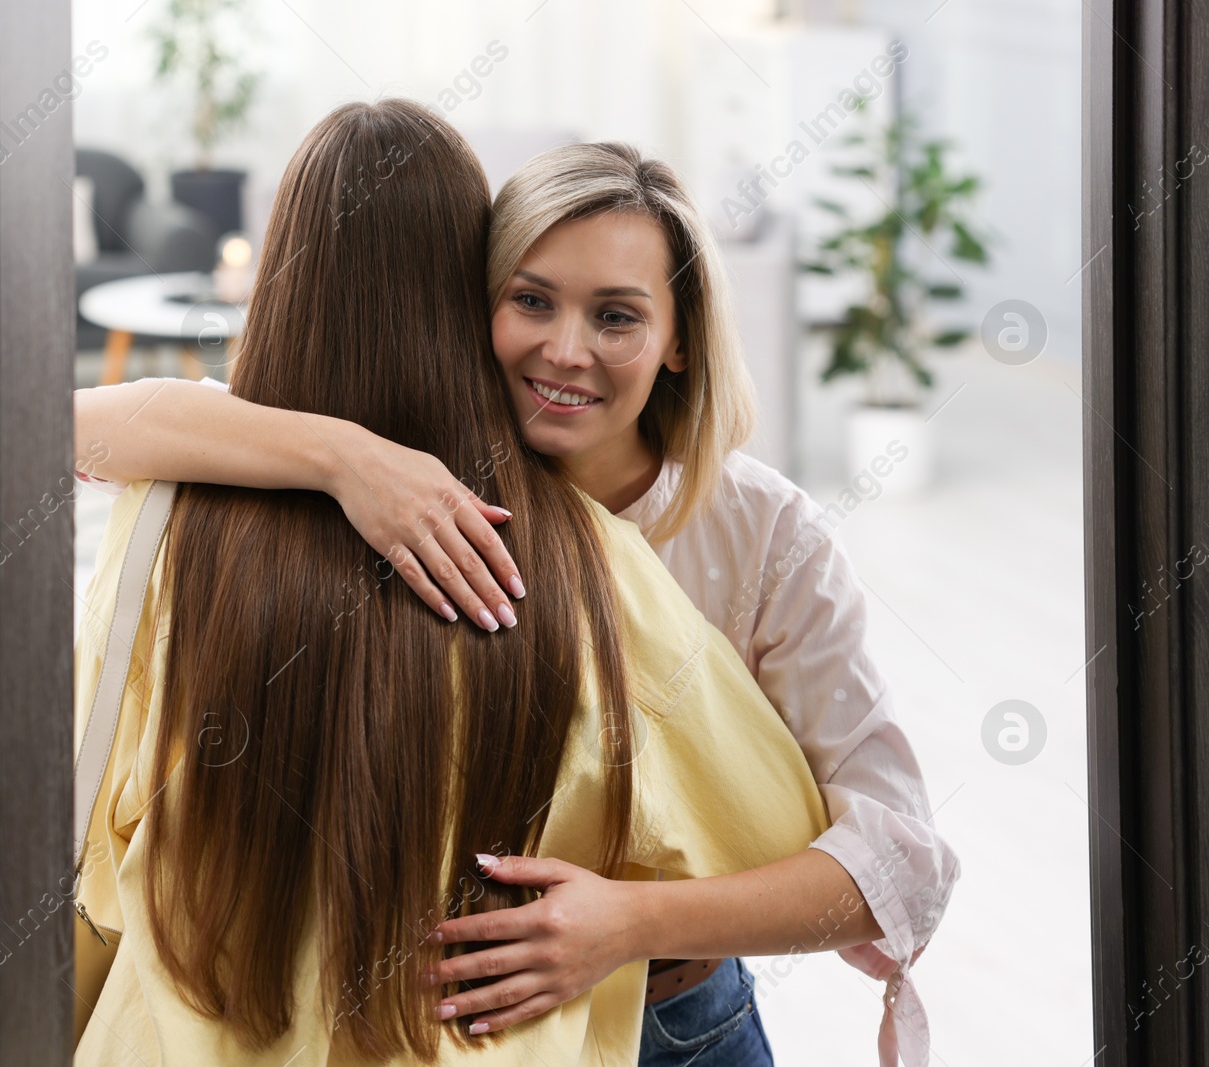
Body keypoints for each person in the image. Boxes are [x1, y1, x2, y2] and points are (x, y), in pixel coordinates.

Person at [75, 137, 956, 1066]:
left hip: (674, 1019)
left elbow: (900, 864)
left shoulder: (768, 536)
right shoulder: (412, 478)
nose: (565, 351)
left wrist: (625, 922)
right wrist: (346, 458)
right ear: (471, 302)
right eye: (531, 300)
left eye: (617, 317)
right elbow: (69, 427)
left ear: (681, 340)